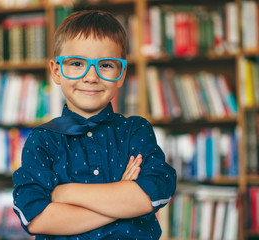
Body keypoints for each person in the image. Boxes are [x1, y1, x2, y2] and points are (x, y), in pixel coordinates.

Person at [12, 10, 177, 240]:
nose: (91, 76)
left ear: (121, 74)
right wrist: (120, 202)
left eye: (106, 65)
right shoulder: (42, 140)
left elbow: (153, 194)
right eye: (77, 63)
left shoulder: (135, 131)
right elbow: (36, 217)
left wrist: (65, 193)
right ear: (56, 71)